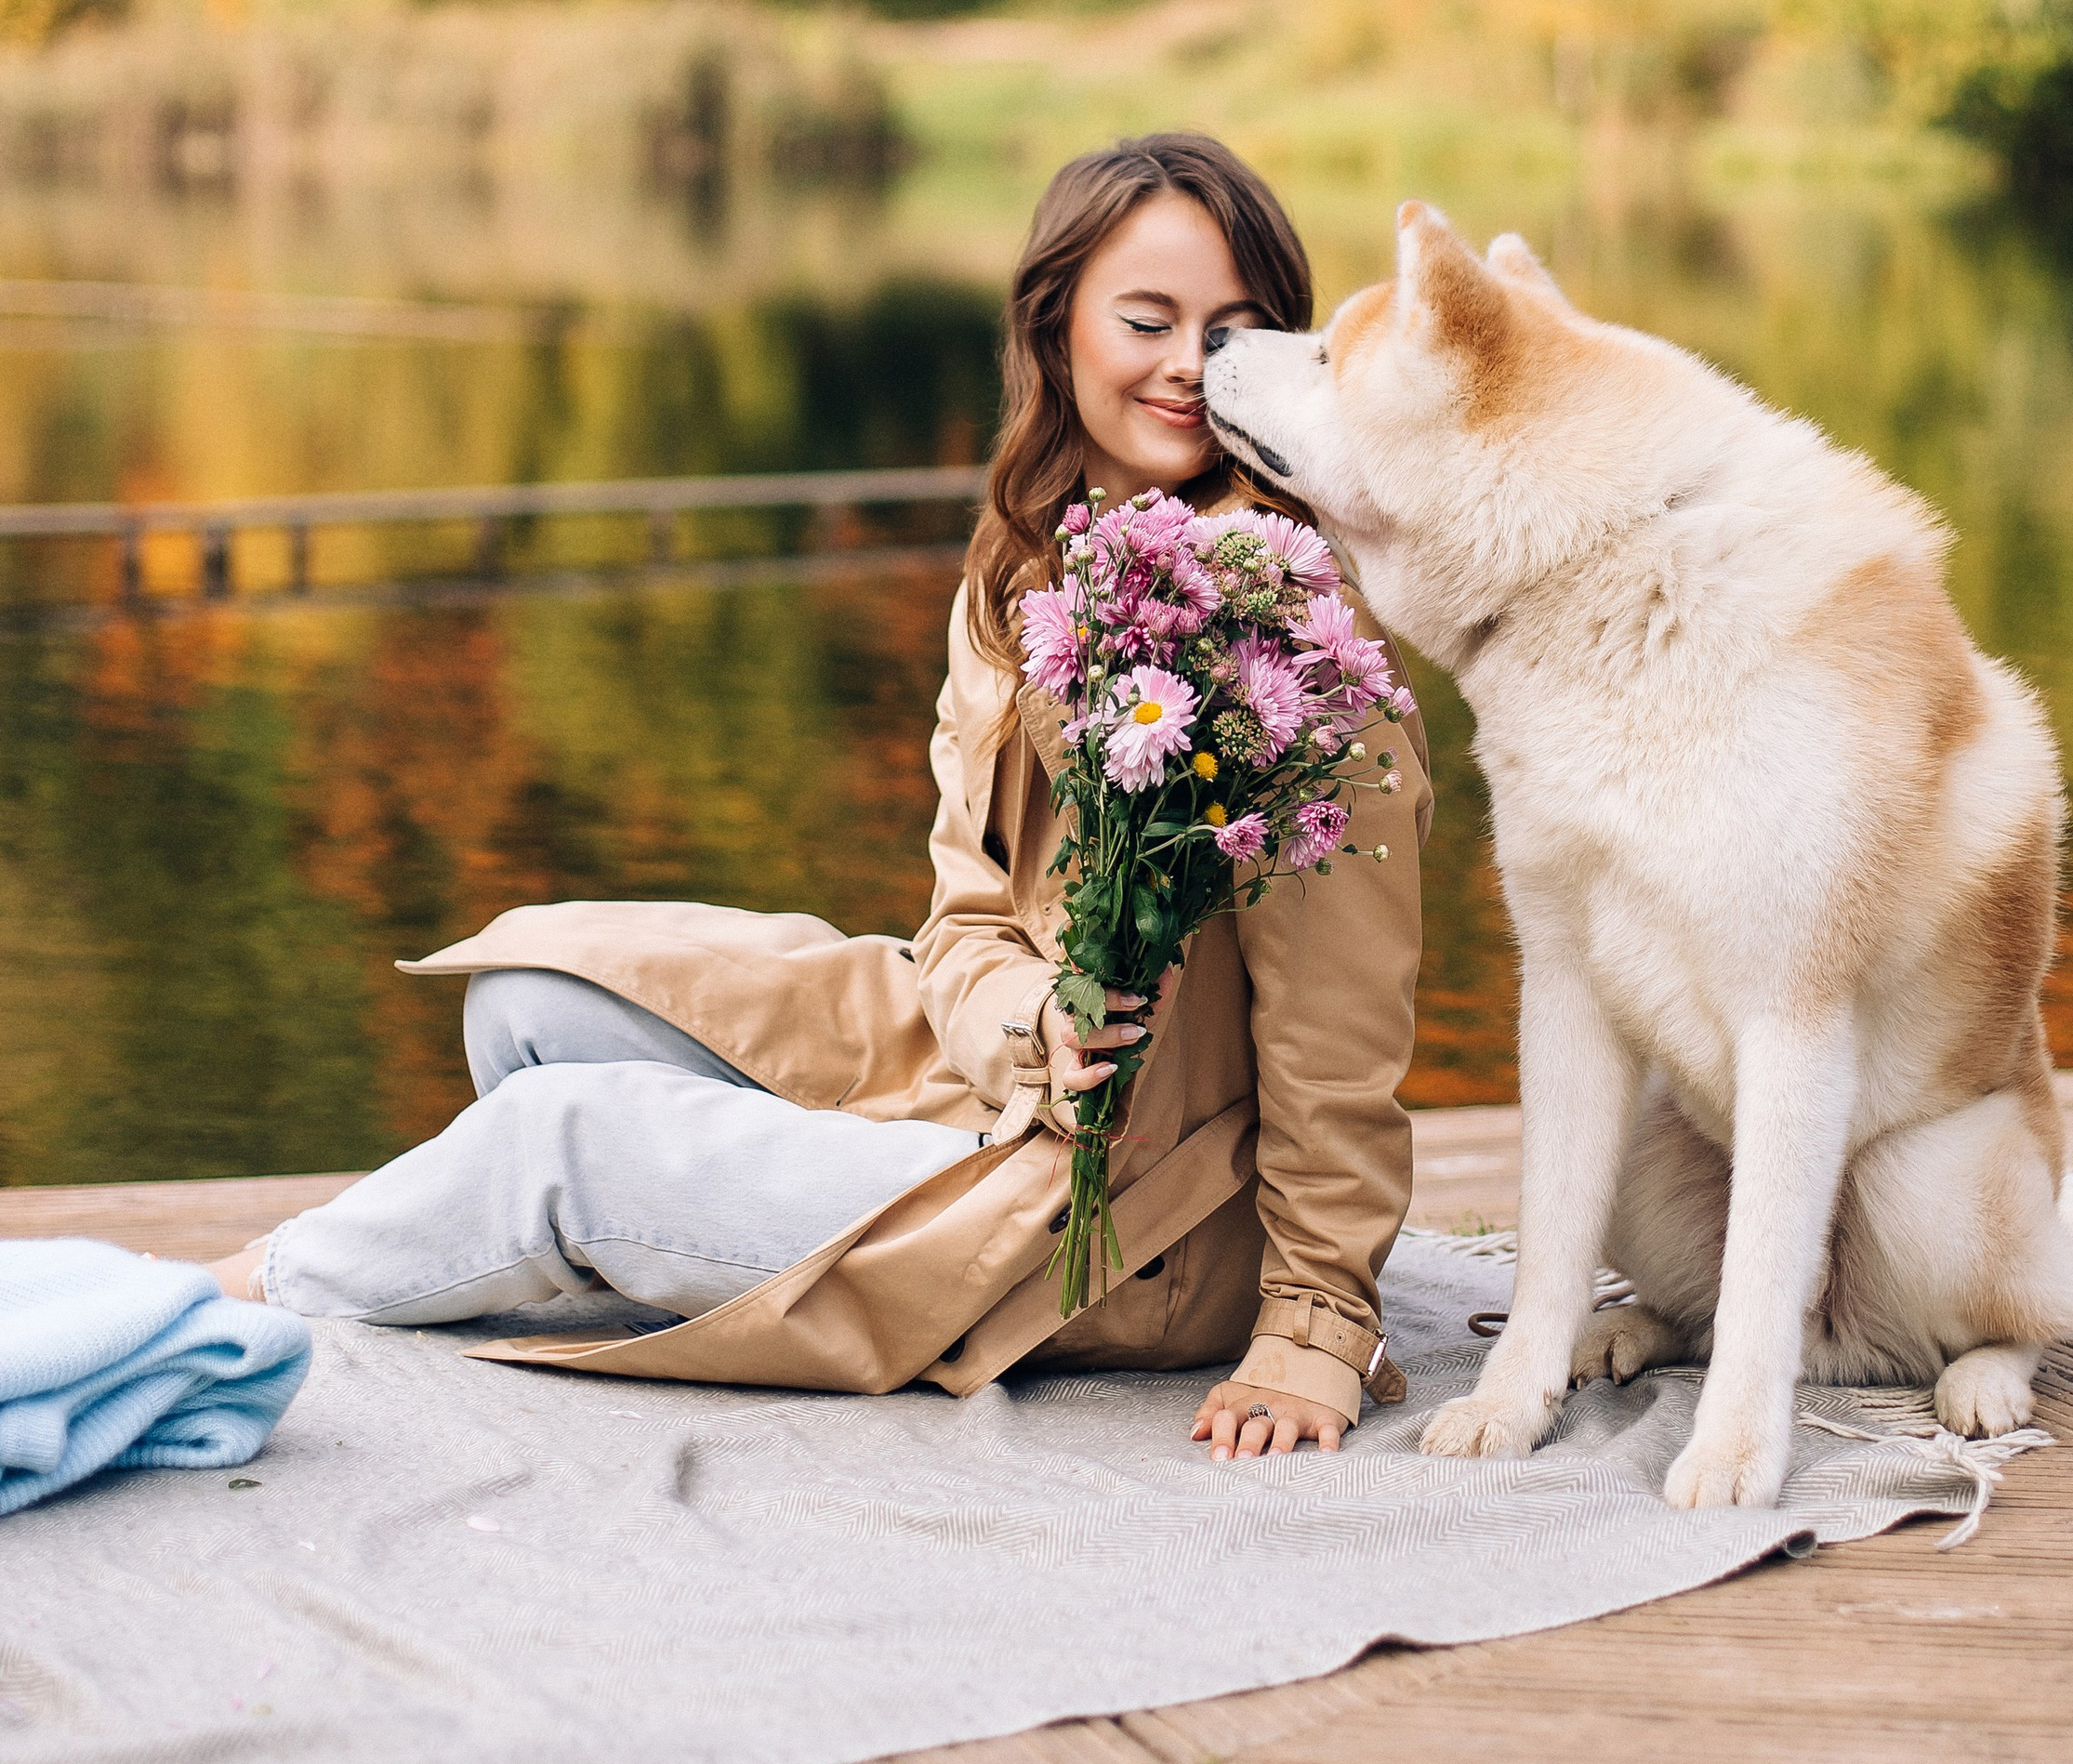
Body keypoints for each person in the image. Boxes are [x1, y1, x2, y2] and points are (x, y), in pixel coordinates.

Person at [207, 134, 1430, 1459]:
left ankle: (196, 1312)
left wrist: (1315, 1324)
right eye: (1148, 320)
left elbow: (1340, 1033)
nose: (1189, 363)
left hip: (1150, 1213)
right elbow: (964, 922)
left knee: (559, 1141)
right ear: (1056, 324)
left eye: (1235, 331)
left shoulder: (1291, 629)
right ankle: (678, 1232)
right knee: (534, 997)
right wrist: (1039, 1021)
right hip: (1001, 1078)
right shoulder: (1026, 569)